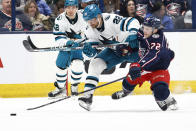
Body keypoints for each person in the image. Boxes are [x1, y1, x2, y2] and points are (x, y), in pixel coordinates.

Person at [78, 4, 140, 111]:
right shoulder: (89, 30)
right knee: (95, 64)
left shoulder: (111, 19)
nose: (90, 23)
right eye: (88, 21)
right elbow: (94, 47)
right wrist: (90, 52)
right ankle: (87, 97)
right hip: (116, 52)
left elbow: (132, 21)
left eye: (92, 20)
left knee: (149, 67)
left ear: (98, 16)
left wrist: (133, 33)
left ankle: (166, 95)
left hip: (133, 48)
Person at [112, 16, 177, 111]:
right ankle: (126, 92)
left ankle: (165, 98)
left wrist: (138, 65)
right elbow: (134, 43)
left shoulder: (159, 41)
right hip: (144, 68)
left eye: (147, 29)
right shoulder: (143, 32)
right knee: (127, 83)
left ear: (155, 30)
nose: (144, 30)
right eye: (144, 27)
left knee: (161, 91)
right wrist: (126, 48)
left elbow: (152, 56)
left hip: (158, 69)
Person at [48, 0, 87, 98]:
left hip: (78, 45)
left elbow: (91, 29)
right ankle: (60, 88)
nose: (71, 10)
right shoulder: (60, 19)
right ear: (65, 8)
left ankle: (74, 87)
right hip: (66, 46)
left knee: (78, 64)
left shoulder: (84, 16)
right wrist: (67, 42)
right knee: (60, 67)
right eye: (68, 7)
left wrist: (87, 40)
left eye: (73, 7)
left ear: (77, 8)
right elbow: (58, 38)